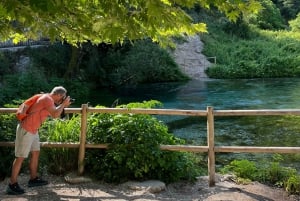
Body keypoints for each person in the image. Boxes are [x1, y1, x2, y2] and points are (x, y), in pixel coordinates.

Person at [6, 86, 71, 195]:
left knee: (36, 153)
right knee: (20, 157)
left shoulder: (48, 99)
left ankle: (33, 179)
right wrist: (63, 105)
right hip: (26, 129)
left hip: (34, 130)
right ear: (59, 95)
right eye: (62, 98)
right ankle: (12, 185)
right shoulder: (47, 99)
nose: (62, 100)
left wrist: (62, 105)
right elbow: (55, 115)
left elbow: (56, 113)